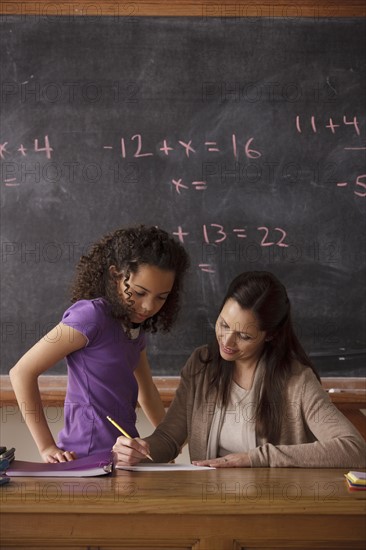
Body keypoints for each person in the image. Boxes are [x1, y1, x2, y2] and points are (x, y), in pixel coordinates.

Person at [113, 271, 366, 468]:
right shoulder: (202, 364)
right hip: (209, 502)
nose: (227, 341)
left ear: (270, 335)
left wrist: (256, 458)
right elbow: (169, 439)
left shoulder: (296, 381)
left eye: (244, 336)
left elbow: (354, 449)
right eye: (223, 324)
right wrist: (139, 450)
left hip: (272, 508)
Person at [10, 225, 190, 463]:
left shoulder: (135, 329)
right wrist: (46, 447)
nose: (148, 306)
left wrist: (169, 446)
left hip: (125, 459)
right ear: (116, 276)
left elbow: (148, 393)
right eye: (138, 292)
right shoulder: (90, 317)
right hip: (85, 460)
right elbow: (21, 372)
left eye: (161, 297)